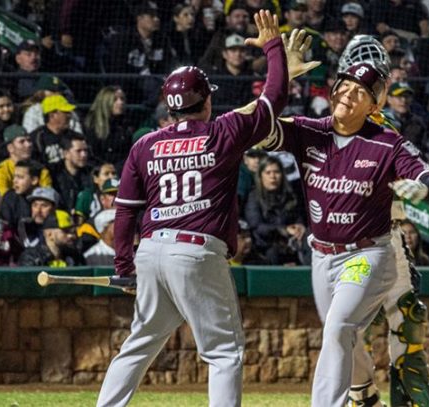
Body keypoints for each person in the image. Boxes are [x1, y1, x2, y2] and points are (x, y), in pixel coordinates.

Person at [97, 11, 288, 407]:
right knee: (223, 352)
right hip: (196, 251)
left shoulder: (144, 144)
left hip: (151, 251)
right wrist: (273, 48)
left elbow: (125, 213)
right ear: (208, 99)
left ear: (170, 106)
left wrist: (123, 266)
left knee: (139, 343)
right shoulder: (223, 130)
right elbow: (274, 100)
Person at [260, 34, 429, 406]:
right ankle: (363, 394)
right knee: (341, 332)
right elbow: (248, 128)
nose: (349, 95)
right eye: (346, 85)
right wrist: (279, 75)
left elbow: (425, 175)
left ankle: (408, 401)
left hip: (380, 242)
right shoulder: (313, 129)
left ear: (378, 99)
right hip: (324, 250)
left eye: (361, 90)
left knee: (401, 324)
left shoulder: (385, 134)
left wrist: (422, 187)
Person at [244, 155, 308, 265]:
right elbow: (257, 227)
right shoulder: (254, 197)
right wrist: (284, 230)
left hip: (292, 245)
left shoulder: (290, 196)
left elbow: (298, 217)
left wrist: (300, 226)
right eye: (268, 173)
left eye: (276, 172)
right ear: (261, 176)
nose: (273, 176)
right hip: (266, 248)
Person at [0, 125, 52, 196]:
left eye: (29, 140)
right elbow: (2, 198)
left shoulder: (41, 170)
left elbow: (47, 197)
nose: (28, 145)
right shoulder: (0, 170)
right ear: (10, 148)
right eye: (22, 141)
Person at [83, 86, 135, 168]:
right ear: (105, 102)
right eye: (115, 100)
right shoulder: (92, 125)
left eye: (122, 99)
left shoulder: (126, 124)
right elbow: (91, 155)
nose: (120, 102)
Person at [18, 210, 83, 267]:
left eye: (73, 231)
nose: (71, 235)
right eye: (65, 231)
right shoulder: (31, 257)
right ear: (49, 234)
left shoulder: (75, 257)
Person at [51, 133, 91, 212]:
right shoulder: (53, 174)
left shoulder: (90, 172)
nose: (84, 155)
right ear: (66, 153)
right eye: (78, 151)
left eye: (85, 150)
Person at [0, 159, 42, 229]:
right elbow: (6, 226)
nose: (14, 181)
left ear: (34, 180)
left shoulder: (45, 199)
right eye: (14, 177)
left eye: (20, 177)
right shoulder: (10, 198)